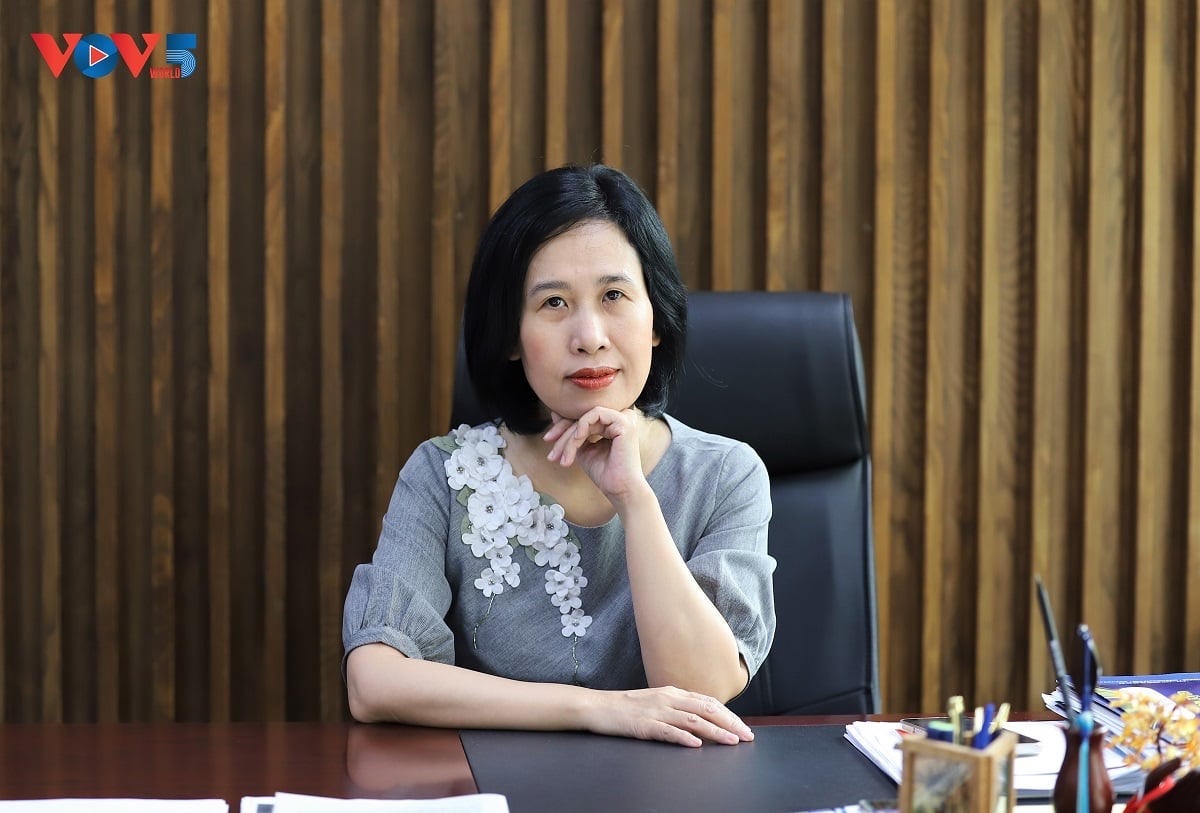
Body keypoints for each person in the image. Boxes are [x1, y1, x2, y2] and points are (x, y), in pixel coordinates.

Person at [342, 164, 775, 747]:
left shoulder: (726, 475)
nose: (589, 336)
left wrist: (633, 497)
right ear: (509, 337)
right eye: (553, 303)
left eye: (614, 295)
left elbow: (701, 688)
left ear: (656, 320)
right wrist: (596, 709)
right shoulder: (443, 475)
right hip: (494, 783)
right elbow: (373, 681)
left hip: (669, 787)